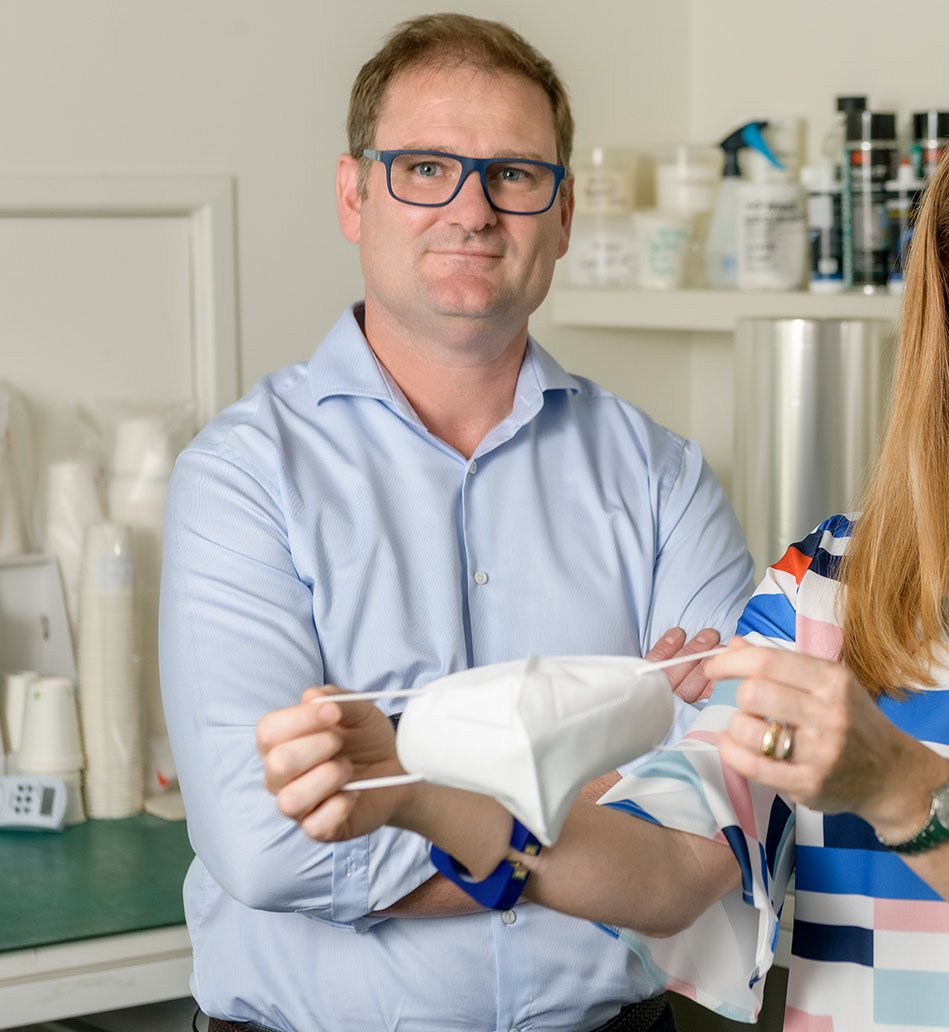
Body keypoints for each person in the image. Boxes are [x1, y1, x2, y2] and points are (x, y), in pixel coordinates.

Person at [258, 83, 949, 1032]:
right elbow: (665, 870)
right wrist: (413, 793)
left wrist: (897, 784)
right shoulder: (826, 580)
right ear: (948, 290)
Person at [160, 13, 753, 1032]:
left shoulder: (665, 479)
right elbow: (268, 844)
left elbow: (720, 829)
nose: (473, 210)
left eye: (516, 174)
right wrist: (602, 792)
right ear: (355, 195)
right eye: (425, 167)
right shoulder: (242, 478)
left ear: (563, 215)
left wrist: (405, 785)